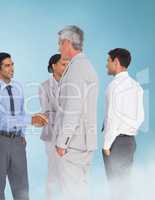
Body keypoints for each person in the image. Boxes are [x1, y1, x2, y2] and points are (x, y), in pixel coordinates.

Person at [0, 52, 48, 200]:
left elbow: (21, 111)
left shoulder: (18, 87)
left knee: (22, 188)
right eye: (7, 66)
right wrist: (32, 120)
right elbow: (2, 120)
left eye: (12, 64)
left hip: (17, 143)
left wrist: (22, 134)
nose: (12, 68)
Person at [54, 25, 99, 200]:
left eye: (60, 43)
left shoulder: (77, 69)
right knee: (80, 189)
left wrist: (62, 142)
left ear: (67, 43)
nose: (58, 48)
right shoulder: (85, 65)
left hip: (74, 143)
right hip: (85, 141)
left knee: (72, 192)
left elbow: (73, 109)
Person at [102, 48, 144, 199]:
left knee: (116, 188)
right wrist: (129, 129)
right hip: (130, 142)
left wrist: (106, 146)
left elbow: (111, 117)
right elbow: (140, 118)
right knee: (125, 186)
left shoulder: (113, 87)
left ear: (116, 62)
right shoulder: (136, 86)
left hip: (115, 143)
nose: (106, 65)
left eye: (108, 61)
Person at [39, 53, 69, 199]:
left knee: (68, 172)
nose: (66, 67)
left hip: (69, 135)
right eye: (63, 64)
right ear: (54, 66)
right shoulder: (44, 86)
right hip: (52, 135)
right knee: (53, 170)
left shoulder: (70, 85)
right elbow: (46, 112)